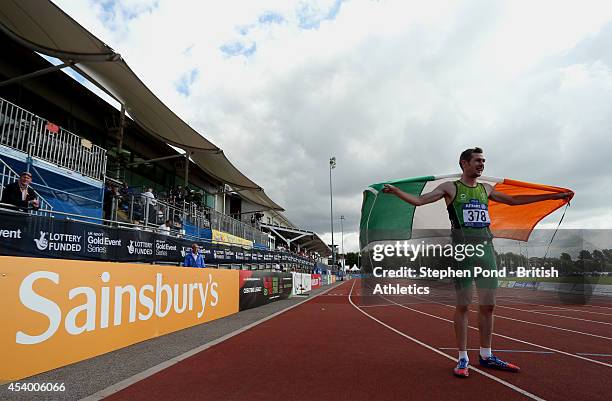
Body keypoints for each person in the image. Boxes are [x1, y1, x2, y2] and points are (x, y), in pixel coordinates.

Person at [382, 147, 573, 378]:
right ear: (464, 163)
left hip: (486, 250)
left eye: (484, 161)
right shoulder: (450, 187)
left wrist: (552, 196)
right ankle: (462, 358)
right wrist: (396, 192)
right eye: (477, 161)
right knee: (463, 305)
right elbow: (420, 201)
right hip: (463, 251)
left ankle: (486, 354)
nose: (482, 164)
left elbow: (513, 200)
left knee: (489, 305)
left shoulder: (486, 188)